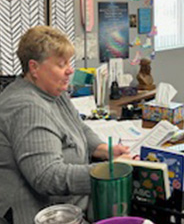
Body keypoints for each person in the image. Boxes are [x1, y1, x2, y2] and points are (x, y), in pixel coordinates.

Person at [0, 26, 130, 224]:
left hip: (71, 206)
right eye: (61, 64)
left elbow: (79, 127)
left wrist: (105, 149)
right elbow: (47, 176)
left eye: (69, 62)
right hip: (39, 214)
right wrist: (108, 172)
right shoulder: (27, 107)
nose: (70, 70)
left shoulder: (53, 92)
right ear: (34, 68)